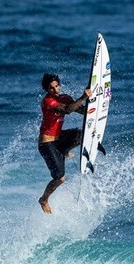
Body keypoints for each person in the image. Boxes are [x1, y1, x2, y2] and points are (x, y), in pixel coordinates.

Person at [37, 73, 92, 214]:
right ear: (46, 90)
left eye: (57, 86)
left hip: (59, 138)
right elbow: (67, 110)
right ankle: (44, 199)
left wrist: (94, 102)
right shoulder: (48, 102)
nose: (55, 90)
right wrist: (83, 97)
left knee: (80, 135)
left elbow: (80, 109)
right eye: (51, 88)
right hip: (47, 144)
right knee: (60, 179)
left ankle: (64, 150)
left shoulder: (65, 98)